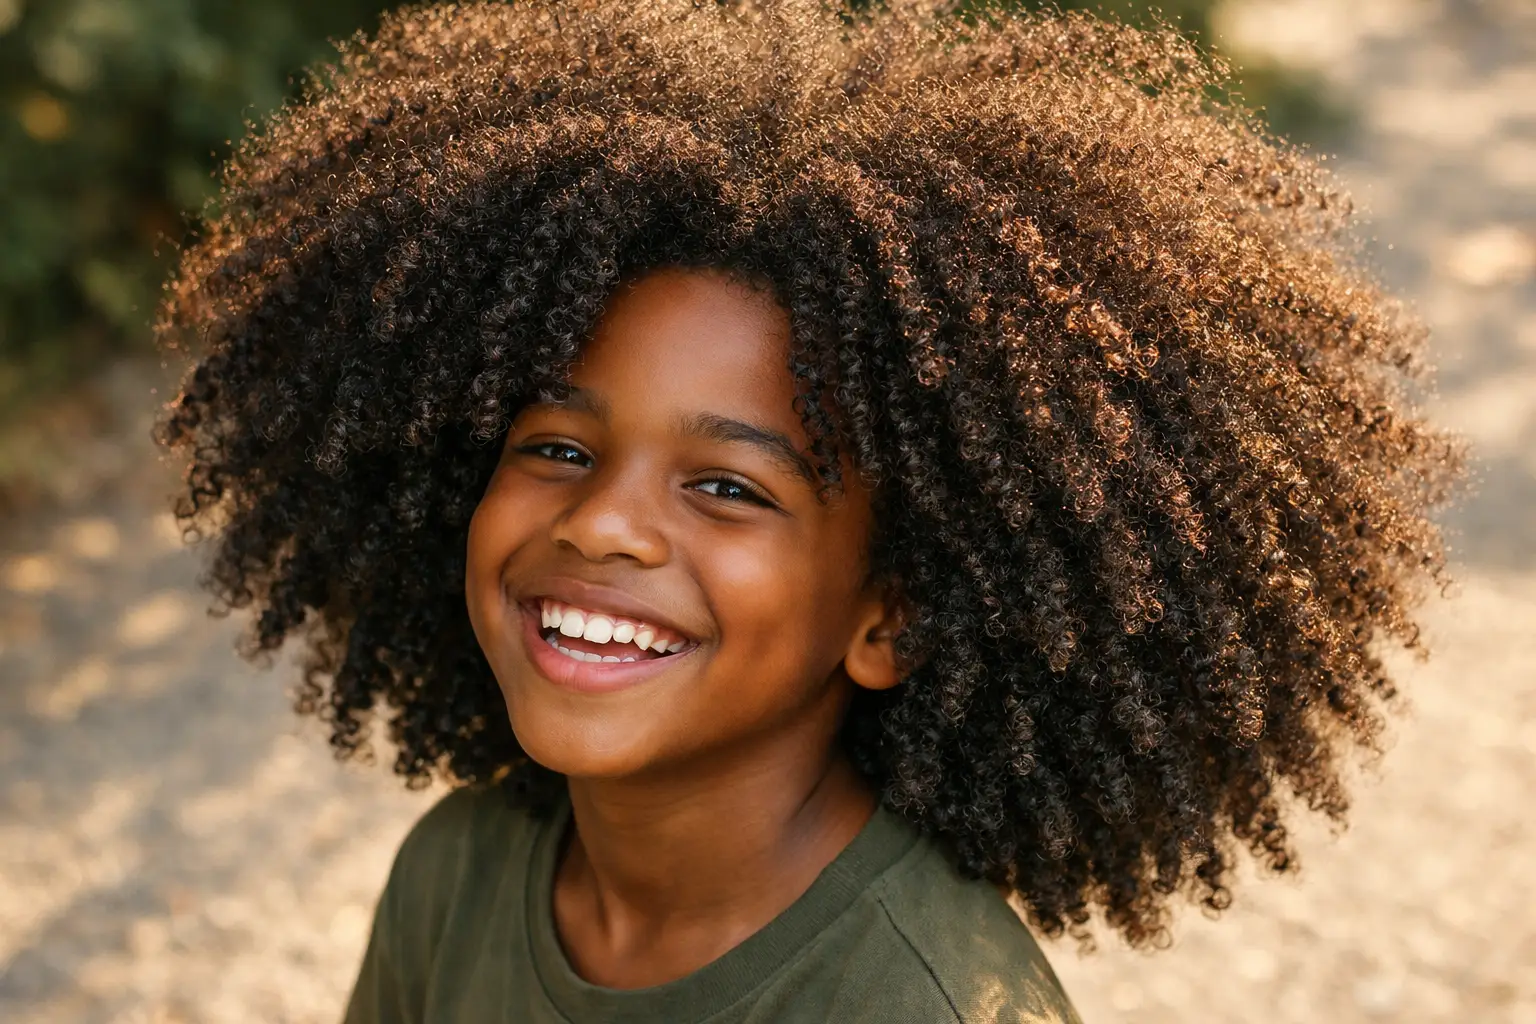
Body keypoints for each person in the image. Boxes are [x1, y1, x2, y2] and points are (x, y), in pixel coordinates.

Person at [152, 1, 1464, 1021]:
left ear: (890, 617)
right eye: (555, 445)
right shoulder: (459, 882)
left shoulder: (917, 1004)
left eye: (728, 486)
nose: (604, 524)